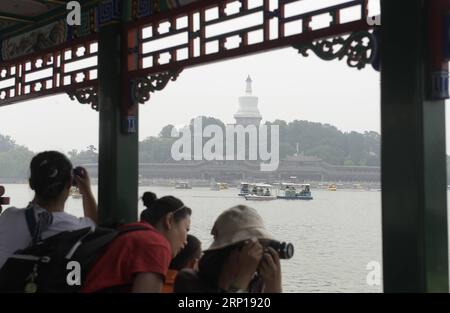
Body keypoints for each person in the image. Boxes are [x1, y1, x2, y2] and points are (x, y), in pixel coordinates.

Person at [0, 151, 97, 269]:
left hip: (7, 286)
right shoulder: (78, 228)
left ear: (31, 183)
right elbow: (94, 222)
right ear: (69, 183)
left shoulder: (8, 217)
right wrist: (86, 189)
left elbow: (32, 213)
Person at [81, 191, 191, 293]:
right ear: (169, 220)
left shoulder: (131, 233)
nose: (186, 241)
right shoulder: (156, 244)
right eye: (186, 229)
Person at [174, 205, 282, 293]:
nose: (257, 254)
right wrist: (243, 276)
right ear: (227, 250)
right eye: (252, 247)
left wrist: (274, 286)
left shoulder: (256, 284)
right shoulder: (189, 281)